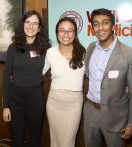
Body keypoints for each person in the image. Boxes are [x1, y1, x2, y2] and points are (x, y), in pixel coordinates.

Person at [83, 8, 132, 147]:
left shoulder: (129, 54)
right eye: (96, 24)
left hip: (116, 116)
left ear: (113, 25)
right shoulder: (90, 48)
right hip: (91, 111)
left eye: (105, 23)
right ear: (92, 28)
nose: (100, 28)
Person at [1, 10, 51, 147]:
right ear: (23, 25)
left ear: (40, 28)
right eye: (28, 22)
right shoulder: (13, 48)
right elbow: (5, 77)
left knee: (35, 138)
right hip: (15, 100)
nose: (31, 26)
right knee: (16, 139)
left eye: (35, 23)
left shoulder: (46, 49)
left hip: (36, 99)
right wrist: (5, 106)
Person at [43, 17, 86, 147]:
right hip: (54, 102)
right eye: (62, 30)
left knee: (68, 142)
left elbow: (97, 74)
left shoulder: (84, 53)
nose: (65, 34)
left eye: (69, 30)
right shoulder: (50, 52)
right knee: (55, 140)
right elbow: (40, 72)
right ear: (57, 33)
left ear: (75, 33)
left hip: (74, 104)